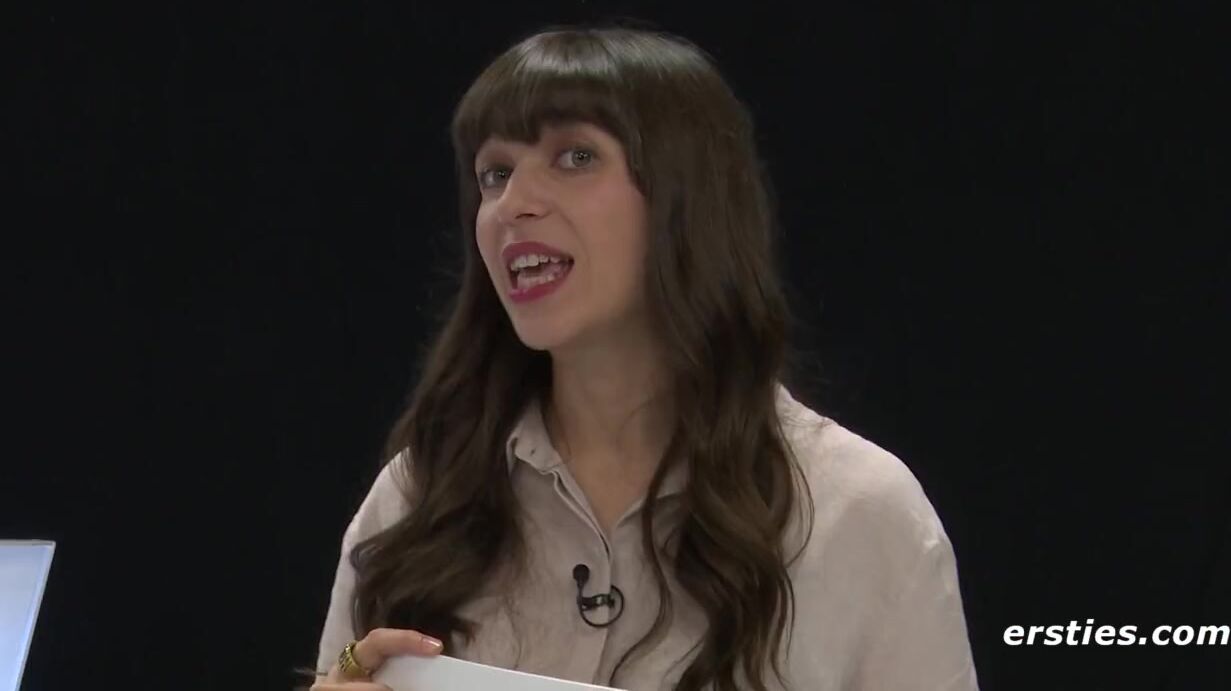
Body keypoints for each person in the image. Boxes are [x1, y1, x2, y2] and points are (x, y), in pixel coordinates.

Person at [311, 23, 979, 691]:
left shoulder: (857, 511)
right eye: (495, 174)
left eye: (575, 157)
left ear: (686, 198)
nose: (514, 205)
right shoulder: (420, 497)